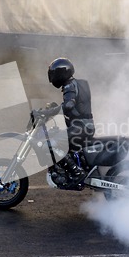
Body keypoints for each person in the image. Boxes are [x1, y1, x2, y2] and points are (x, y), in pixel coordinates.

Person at [37, 57, 95, 185]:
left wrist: (48, 113)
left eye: (53, 74)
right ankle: (68, 169)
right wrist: (53, 108)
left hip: (81, 127)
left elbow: (68, 105)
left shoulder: (69, 86)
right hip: (83, 126)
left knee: (51, 144)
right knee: (57, 137)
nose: (52, 77)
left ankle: (76, 172)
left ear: (60, 74)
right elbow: (74, 107)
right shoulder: (77, 84)